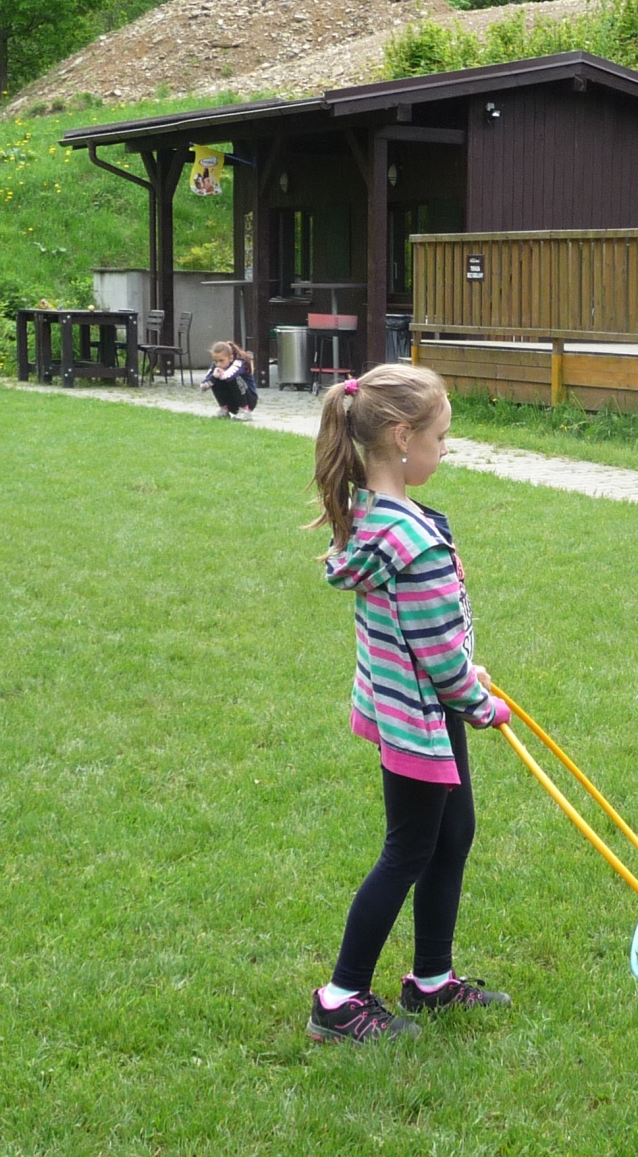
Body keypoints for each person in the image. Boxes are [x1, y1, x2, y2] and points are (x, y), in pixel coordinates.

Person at [306, 366, 514, 1044]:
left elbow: (422, 634)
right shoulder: (413, 542)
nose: (445, 449)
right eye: (440, 437)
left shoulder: (373, 516)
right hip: (421, 718)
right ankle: (340, 999)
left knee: (453, 835)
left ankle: (431, 980)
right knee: (408, 851)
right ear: (401, 437)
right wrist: (478, 700)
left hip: (416, 705)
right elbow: (442, 657)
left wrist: (462, 676)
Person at [200, 340, 258, 419]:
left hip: (248, 401)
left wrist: (218, 374)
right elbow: (205, 383)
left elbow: (230, 376)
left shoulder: (240, 362)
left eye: (221, 360)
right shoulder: (216, 366)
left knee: (234, 378)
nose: (218, 364)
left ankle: (245, 410)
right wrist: (212, 378)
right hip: (231, 402)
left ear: (231, 358)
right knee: (215, 379)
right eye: (216, 361)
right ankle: (224, 409)